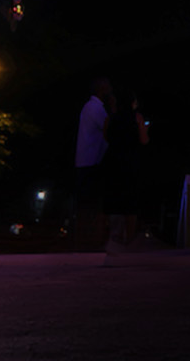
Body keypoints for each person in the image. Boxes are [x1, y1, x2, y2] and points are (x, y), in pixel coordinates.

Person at [102, 84, 150, 252]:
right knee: (131, 201)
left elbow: (106, 136)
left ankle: (114, 236)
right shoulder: (136, 117)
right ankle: (129, 239)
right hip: (131, 161)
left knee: (115, 198)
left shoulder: (111, 118)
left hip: (113, 160)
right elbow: (144, 140)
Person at [73, 77, 113, 249]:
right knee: (92, 202)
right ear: (102, 90)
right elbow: (110, 130)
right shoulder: (96, 109)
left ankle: (85, 240)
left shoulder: (89, 107)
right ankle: (90, 241)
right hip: (91, 161)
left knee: (86, 202)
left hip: (86, 161)